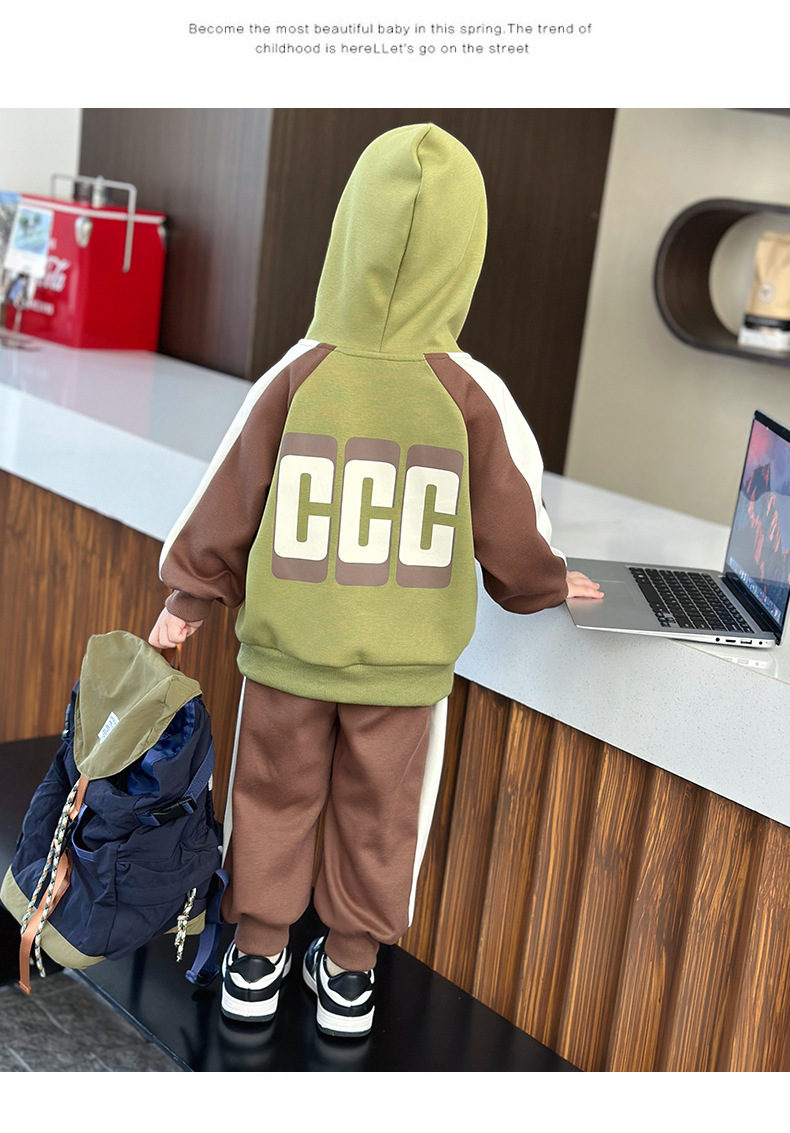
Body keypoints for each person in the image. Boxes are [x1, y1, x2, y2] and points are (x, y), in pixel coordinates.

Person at [148, 122, 602, 1039]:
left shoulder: (298, 372)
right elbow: (511, 523)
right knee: (383, 815)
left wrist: (189, 595)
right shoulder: (473, 393)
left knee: (269, 797)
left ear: (347, 232)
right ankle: (350, 973)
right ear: (464, 256)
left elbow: (228, 494)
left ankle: (256, 957)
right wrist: (547, 583)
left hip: (289, 655)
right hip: (402, 671)